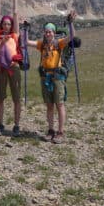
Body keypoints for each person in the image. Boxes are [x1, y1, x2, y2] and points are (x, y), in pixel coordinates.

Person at [25, 11, 78, 144]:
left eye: (50, 31)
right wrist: (25, 29)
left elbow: (71, 36)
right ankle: (50, 130)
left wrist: (71, 23)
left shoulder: (59, 43)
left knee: (59, 104)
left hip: (58, 77)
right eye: (46, 31)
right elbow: (25, 42)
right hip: (45, 77)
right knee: (49, 105)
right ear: (44, 33)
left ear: (54, 33)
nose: (48, 33)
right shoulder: (41, 44)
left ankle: (60, 131)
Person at [0, 0, 22, 136]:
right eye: (4, 24)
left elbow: (16, 13)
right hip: (0, 69)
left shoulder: (14, 35)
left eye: (8, 24)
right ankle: (1, 124)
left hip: (14, 68)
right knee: (1, 98)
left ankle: (17, 125)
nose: (6, 26)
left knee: (16, 98)